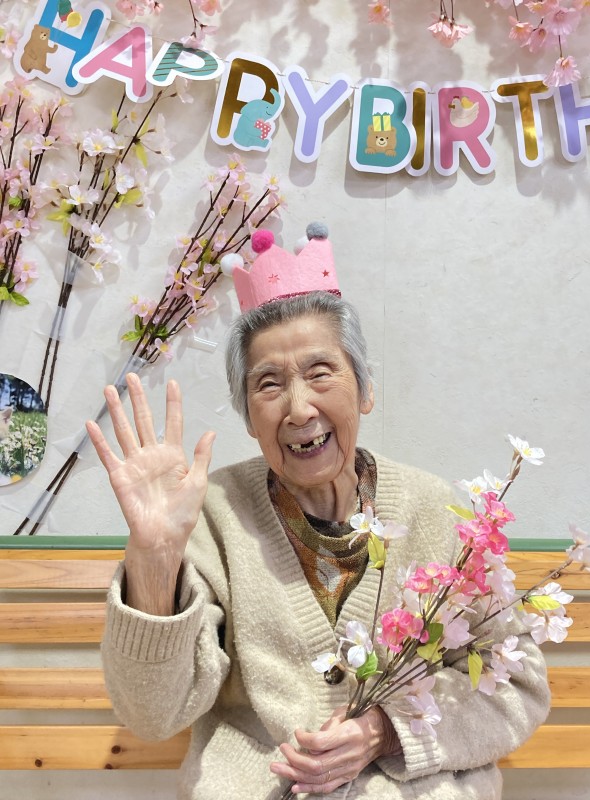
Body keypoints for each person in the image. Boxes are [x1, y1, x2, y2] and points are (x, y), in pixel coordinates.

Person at [88, 233, 550, 800]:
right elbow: (153, 716)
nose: (299, 407)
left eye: (321, 372)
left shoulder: (436, 513)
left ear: (365, 390)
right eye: (269, 383)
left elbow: (518, 685)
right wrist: (155, 559)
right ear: (248, 417)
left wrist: (386, 732)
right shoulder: (212, 517)